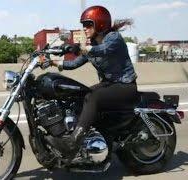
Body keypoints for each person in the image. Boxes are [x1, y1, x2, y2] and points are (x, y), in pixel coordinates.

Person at [48, 6, 138, 155]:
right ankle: (86, 133)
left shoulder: (113, 38)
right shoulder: (93, 46)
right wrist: (52, 63)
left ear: (100, 23)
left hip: (125, 86)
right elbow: (74, 64)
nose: (85, 28)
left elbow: (104, 49)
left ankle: (72, 143)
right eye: (83, 25)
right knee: (81, 94)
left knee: (93, 97)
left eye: (88, 24)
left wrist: (81, 48)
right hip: (109, 85)